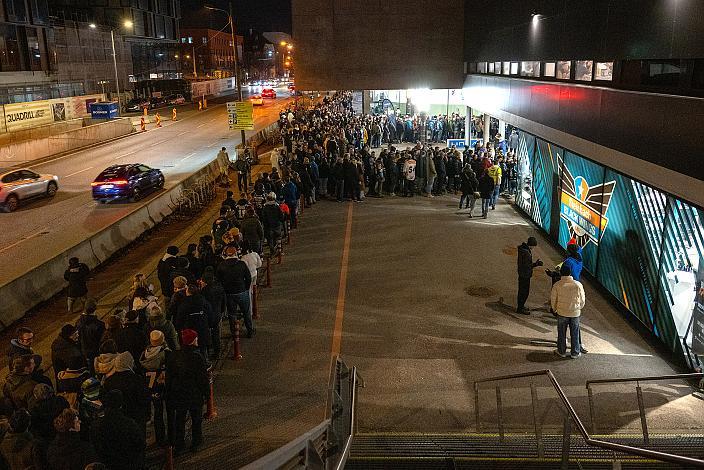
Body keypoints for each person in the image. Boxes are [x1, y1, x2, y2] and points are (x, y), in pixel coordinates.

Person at [166, 329, 209, 455]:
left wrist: (169, 392)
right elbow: (202, 379)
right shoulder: (197, 358)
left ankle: (179, 444)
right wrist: (206, 394)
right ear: (192, 341)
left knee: (179, 419)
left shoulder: (174, 356)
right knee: (196, 420)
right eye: (195, 339)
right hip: (194, 394)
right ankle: (196, 442)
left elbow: (169, 376)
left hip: (178, 393)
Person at [90, 389, 145, 470]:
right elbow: (140, 444)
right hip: (127, 464)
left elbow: (94, 446)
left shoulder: (96, 424)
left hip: (106, 464)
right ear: (121, 405)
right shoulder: (129, 424)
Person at [101, 352, 150, 437]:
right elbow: (144, 398)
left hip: (118, 419)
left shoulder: (109, 381)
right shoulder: (136, 379)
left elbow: (104, 399)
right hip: (136, 417)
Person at [217, 245, 254, 338]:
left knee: (232, 314)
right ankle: (250, 330)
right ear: (235, 253)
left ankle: (234, 333)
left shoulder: (221, 265)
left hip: (229, 293)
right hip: (241, 291)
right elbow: (248, 278)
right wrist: (245, 288)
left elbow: (219, 279)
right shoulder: (241, 264)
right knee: (246, 312)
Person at [140, 331, 169, 446]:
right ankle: (163, 437)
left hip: (149, 386)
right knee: (163, 412)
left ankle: (155, 436)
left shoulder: (145, 354)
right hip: (162, 385)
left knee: (154, 411)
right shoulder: (165, 353)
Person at [552, 264, 586, 359]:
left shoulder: (557, 285)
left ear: (561, 273)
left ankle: (561, 351)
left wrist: (554, 309)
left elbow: (553, 299)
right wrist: (578, 308)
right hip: (575, 313)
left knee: (562, 333)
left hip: (562, 312)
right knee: (575, 333)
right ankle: (575, 352)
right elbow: (582, 300)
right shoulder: (578, 284)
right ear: (570, 273)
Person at [174, 283, 212, 360]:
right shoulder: (203, 301)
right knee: (203, 350)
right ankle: (205, 366)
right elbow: (210, 313)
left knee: (191, 354)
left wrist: (179, 330)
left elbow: (179, 321)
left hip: (190, 333)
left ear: (187, 293)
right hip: (203, 330)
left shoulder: (184, 305)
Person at [200, 270, 226, 360]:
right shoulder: (219, 287)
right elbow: (223, 301)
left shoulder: (204, 291)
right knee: (216, 333)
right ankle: (217, 351)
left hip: (208, 316)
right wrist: (222, 310)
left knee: (208, 334)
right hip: (218, 313)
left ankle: (208, 350)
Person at [75, 299, 105, 373]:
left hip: (83, 352)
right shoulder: (99, 325)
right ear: (95, 309)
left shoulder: (78, 322)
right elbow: (102, 341)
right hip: (95, 354)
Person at [517, 236, 543, 315]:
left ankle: (521, 306)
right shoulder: (526, 253)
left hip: (522, 273)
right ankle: (520, 308)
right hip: (525, 274)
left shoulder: (522, 249)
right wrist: (536, 264)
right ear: (531, 245)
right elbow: (527, 265)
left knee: (522, 291)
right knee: (524, 292)